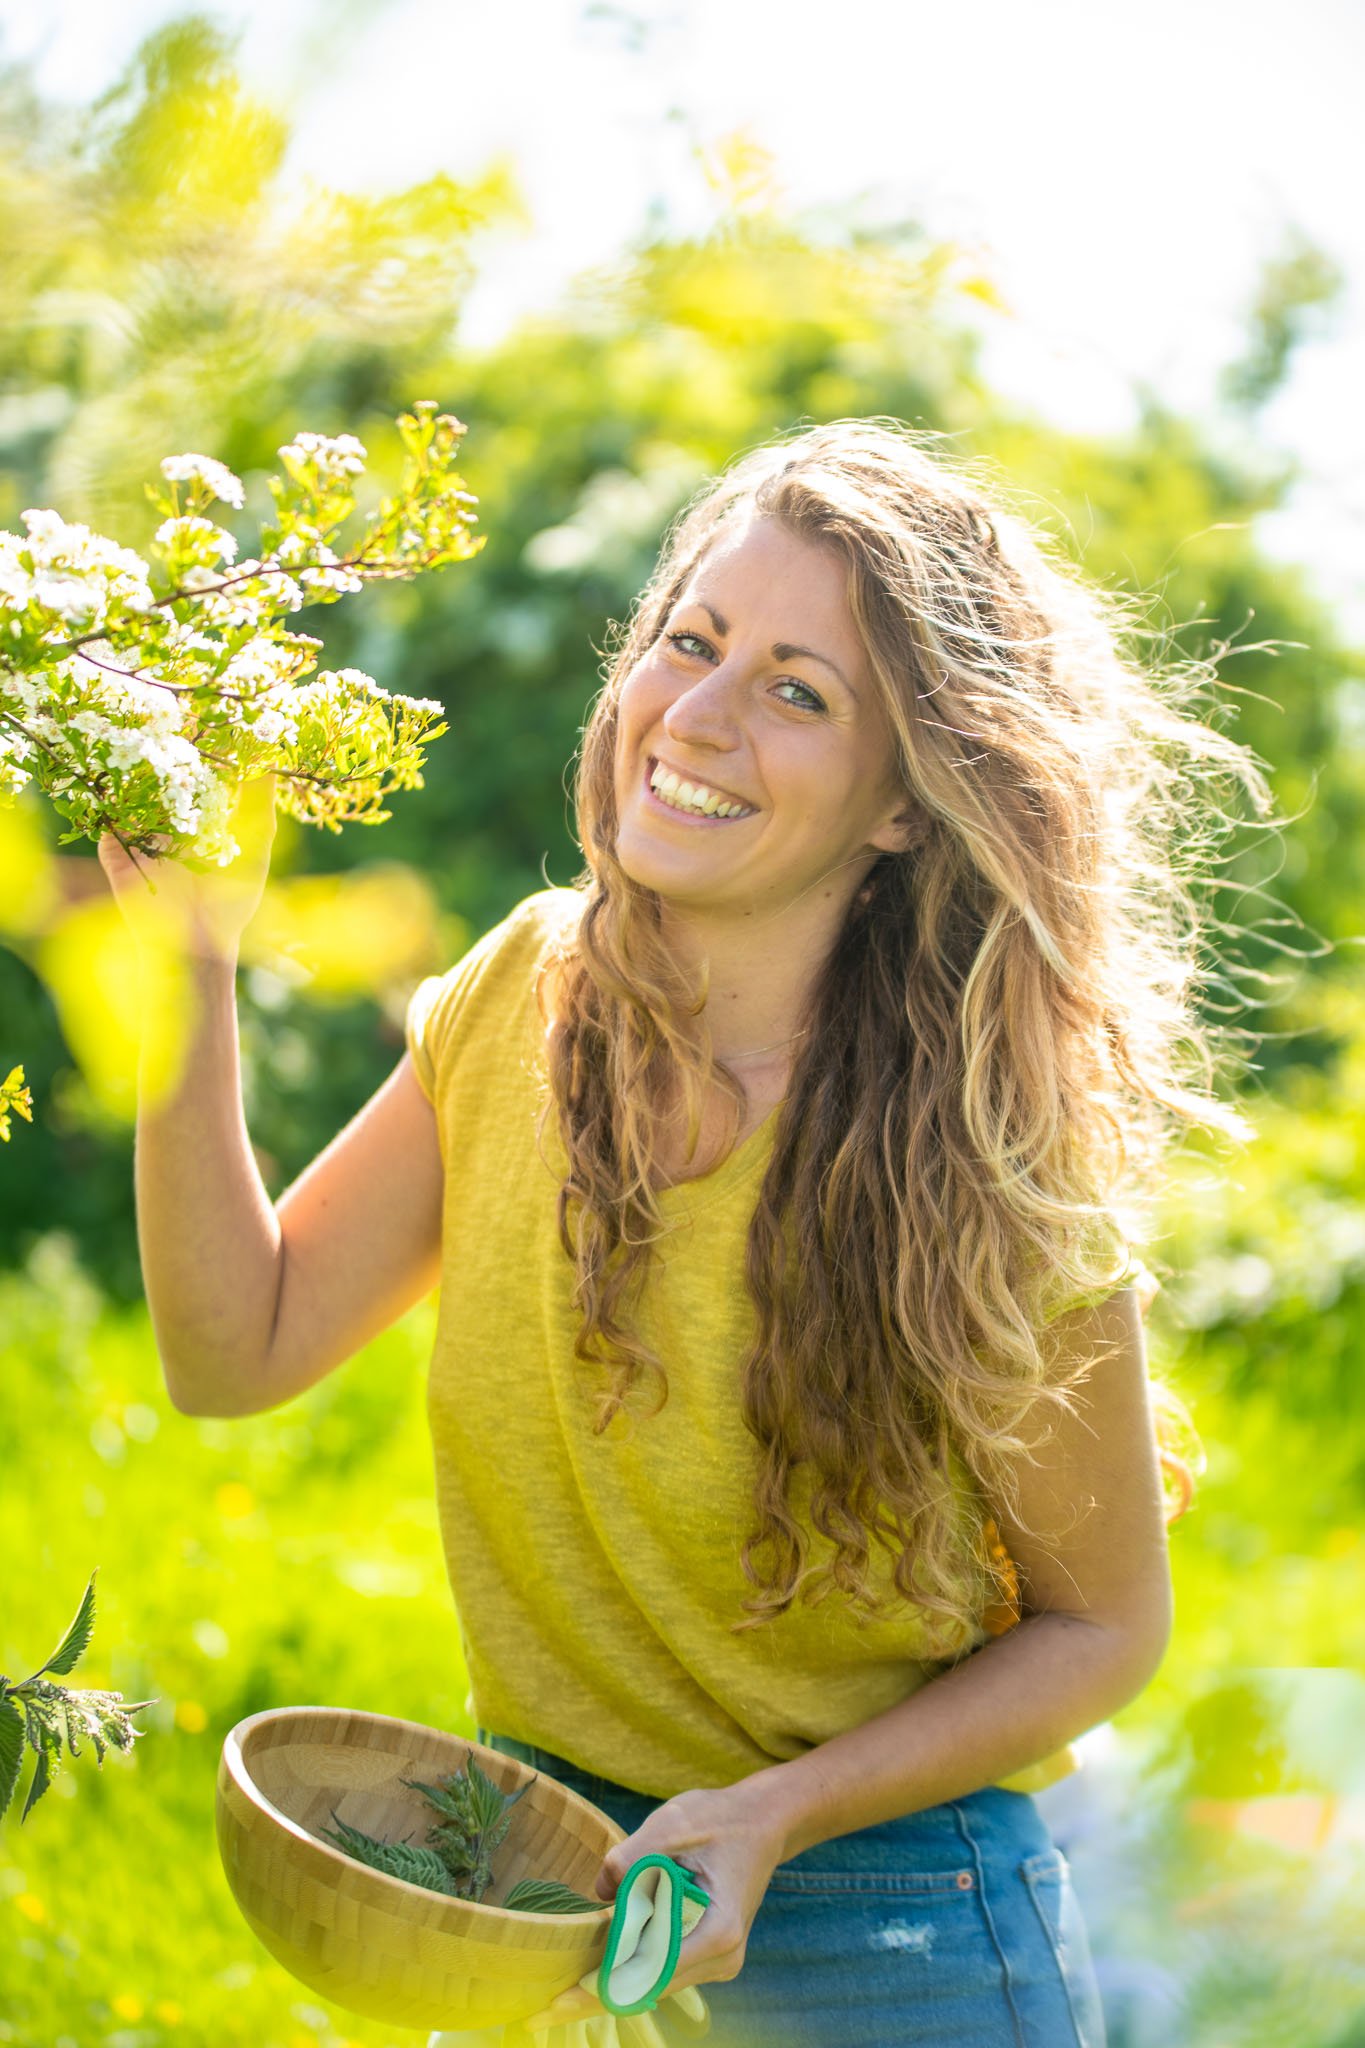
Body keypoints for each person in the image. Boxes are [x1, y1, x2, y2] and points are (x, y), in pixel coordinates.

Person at [100, 417, 1268, 2048]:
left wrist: (775, 1815)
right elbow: (236, 1351)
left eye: (799, 693)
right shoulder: (521, 995)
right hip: (537, 1867)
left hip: (885, 1903)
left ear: (905, 808)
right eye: (691, 643)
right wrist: (185, 971)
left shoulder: (987, 1155)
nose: (698, 719)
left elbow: (1103, 1627)